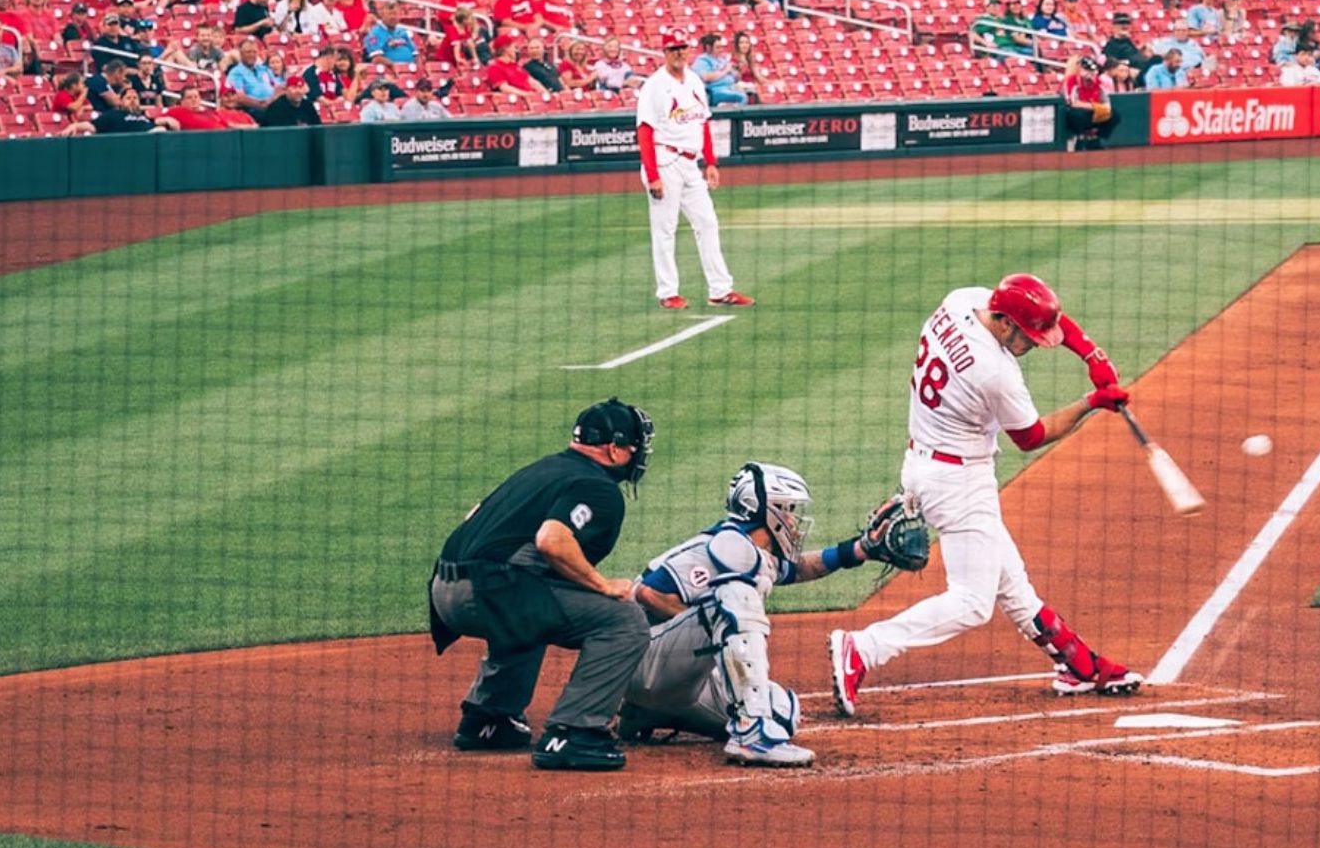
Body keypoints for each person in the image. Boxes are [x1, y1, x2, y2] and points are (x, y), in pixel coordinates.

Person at [827, 272, 1140, 717]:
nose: (1034, 344)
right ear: (1006, 323)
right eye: (1029, 337)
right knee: (973, 602)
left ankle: (1079, 666)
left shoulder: (962, 302)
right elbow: (1031, 436)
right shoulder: (994, 372)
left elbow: (1049, 316)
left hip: (924, 462)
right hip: (958, 483)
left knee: (1010, 583)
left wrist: (1091, 353)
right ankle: (862, 648)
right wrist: (1092, 401)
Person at [619, 461, 923, 769]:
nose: (794, 521)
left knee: (781, 714)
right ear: (768, 511)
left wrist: (859, 550)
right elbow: (647, 593)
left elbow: (800, 568)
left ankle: (652, 712)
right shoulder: (721, 547)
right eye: (789, 510)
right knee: (735, 598)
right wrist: (711, 625)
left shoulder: (752, 553)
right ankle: (751, 736)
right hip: (644, 664)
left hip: (680, 682)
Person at [426, 397, 659, 772]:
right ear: (614, 449)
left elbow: (473, 515)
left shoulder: (542, 469)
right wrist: (601, 585)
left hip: (445, 590)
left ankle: (489, 719)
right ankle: (575, 732)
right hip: (489, 594)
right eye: (634, 447)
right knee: (624, 620)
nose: (637, 455)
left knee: (535, 599)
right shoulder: (598, 488)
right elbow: (551, 539)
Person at [636, 35, 752, 310]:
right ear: (665, 51)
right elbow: (644, 131)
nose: (679, 53)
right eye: (673, 48)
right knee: (665, 229)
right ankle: (668, 292)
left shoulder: (694, 80)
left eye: (683, 48)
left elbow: (703, 122)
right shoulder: (654, 86)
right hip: (665, 161)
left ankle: (720, 290)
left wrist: (711, 162)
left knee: (708, 222)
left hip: (690, 164)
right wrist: (653, 175)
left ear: (690, 50)